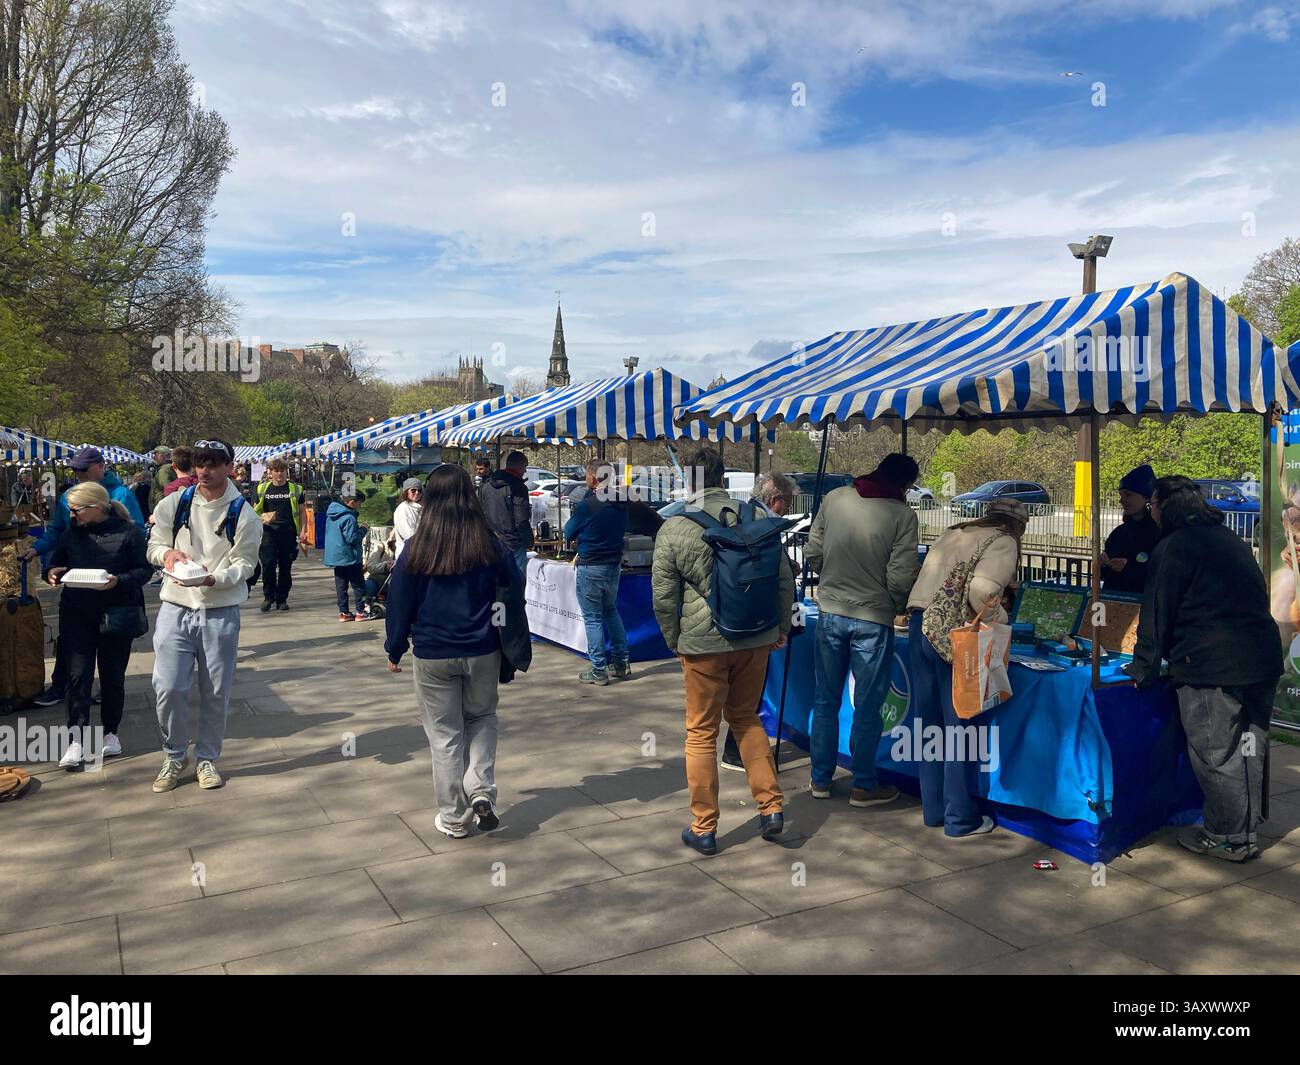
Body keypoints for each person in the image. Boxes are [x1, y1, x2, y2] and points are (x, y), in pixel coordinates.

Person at [1129, 476, 1283, 862]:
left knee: (1217, 752)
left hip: (1210, 666)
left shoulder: (1174, 547)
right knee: (1250, 744)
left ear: (1163, 506)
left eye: (1153, 505)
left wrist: (1143, 668)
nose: (1152, 511)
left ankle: (1228, 835)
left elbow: (1157, 612)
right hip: (1260, 661)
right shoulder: (1229, 539)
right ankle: (1244, 830)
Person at [652, 445, 794, 856]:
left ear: (688, 480)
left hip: (702, 645)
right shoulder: (756, 516)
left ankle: (704, 826)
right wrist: (780, 628)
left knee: (701, 733)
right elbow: (784, 580)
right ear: (720, 477)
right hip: (756, 637)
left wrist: (672, 640)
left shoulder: (675, 526)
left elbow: (663, 596)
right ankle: (771, 808)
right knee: (747, 719)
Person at [384, 464, 530, 839]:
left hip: (433, 652)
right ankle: (481, 788)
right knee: (481, 718)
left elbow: (399, 602)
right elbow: (513, 588)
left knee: (445, 735)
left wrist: (395, 647)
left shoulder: (416, 548)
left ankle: (453, 816)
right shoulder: (490, 544)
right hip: (483, 648)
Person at [907, 497, 1027, 837]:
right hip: (956, 635)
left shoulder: (954, 532)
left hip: (921, 626)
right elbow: (984, 590)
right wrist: (1001, 621)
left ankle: (933, 810)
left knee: (929, 724)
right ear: (1018, 526)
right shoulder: (1002, 542)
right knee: (959, 726)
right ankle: (960, 818)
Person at [805, 454, 920, 807]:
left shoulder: (835, 498)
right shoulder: (902, 516)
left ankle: (820, 779)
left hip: (830, 613)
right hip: (873, 619)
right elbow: (900, 578)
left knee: (826, 700)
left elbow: (812, 552)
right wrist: (895, 604)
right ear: (904, 484)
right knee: (868, 706)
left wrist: (834, 578)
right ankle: (863, 784)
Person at [148, 438, 261, 792]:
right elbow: (154, 543)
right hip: (175, 605)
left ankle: (207, 758)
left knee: (215, 690)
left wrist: (216, 578)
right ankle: (174, 753)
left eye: (213, 463)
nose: (205, 470)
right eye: (200, 462)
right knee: (167, 686)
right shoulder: (175, 503)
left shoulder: (243, 512)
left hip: (220, 609)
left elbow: (245, 563)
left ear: (229, 466)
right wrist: (166, 556)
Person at [22, 447, 145, 707]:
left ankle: (107, 693)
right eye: (75, 470)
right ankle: (61, 687)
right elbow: (57, 532)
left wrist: (120, 574)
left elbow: (136, 533)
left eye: (84, 470)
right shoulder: (69, 496)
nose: (79, 475)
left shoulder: (121, 493)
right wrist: (38, 551)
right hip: (78, 591)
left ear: (100, 466)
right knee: (70, 645)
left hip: (113, 594)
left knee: (111, 653)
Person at [46, 482, 151, 768]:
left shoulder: (129, 533)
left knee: (112, 676)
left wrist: (120, 581)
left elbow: (144, 570)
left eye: (76, 510)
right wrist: (52, 573)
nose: (72, 515)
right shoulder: (72, 534)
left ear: (95, 508)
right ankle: (75, 740)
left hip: (116, 612)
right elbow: (55, 564)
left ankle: (110, 733)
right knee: (77, 677)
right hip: (77, 613)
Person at [720, 470, 798, 772]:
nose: (788, 510)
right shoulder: (764, 523)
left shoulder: (739, 513)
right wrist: (783, 626)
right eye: (787, 503)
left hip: (735, 613)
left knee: (740, 691)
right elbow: (777, 581)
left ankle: (734, 748)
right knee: (748, 692)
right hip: (756, 618)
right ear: (775, 500)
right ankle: (735, 751)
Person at [564, 458, 629, 685]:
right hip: (613, 564)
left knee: (592, 618)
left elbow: (569, 530)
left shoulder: (588, 505)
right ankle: (621, 662)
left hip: (591, 564)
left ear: (591, 477)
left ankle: (599, 668)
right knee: (611, 611)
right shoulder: (621, 502)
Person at [252, 458, 308, 612]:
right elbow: (254, 511)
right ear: (270, 472)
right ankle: (268, 597)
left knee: (285, 567)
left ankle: (282, 599)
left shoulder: (295, 489)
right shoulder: (262, 489)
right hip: (268, 533)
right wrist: (262, 518)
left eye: (282, 471)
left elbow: (302, 512)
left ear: (286, 472)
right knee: (268, 565)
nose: (280, 474)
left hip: (288, 533)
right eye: (276, 471)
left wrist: (303, 530)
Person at [1101, 464, 1161, 594]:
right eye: (1121, 495)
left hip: (1142, 605)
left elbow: (1161, 574)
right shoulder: (1118, 533)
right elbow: (1103, 575)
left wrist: (1129, 568)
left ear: (1146, 498)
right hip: (1113, 601)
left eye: (1127, 495)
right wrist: (1102, 563)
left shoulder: (1158, 534)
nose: (1122, 500)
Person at [479, 450, 533, 573]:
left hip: (491, 542)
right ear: (520, 467)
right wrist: (529, 540)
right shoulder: (519, 487)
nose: (525, 471)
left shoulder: (486, 485)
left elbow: (481, 513)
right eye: (525, 467)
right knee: (516, 585)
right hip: (513, 544)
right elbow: (521, 520)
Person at [325, 490, 369, 621]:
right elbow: (352, 539)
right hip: (350, 558)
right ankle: (361, 611)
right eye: (359, 504)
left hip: (336, 557)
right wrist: (363, 530)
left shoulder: (332, 514)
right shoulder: (349, 517)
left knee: (341, 587)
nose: (359, 506)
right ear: (352, 502)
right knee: (359, 586)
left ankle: (344, 612)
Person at [391, 477, 423, 560]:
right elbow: (409, 536)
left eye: (419, 490)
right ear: (406, 492)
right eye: (413, 490)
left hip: (419, 554)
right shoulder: (403, 509)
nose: (417, 493)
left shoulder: (419, 508)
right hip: (407, 556)